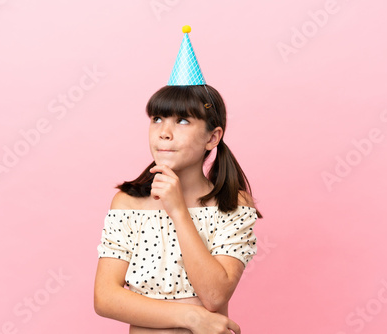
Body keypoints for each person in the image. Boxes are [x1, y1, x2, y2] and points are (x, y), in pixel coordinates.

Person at [94, 26, 262, 334]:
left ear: (213, 137)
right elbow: (105, 297)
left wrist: (178, 210)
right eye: (157, 119)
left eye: (182, 120)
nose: (164, 132)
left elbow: (214, 295)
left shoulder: (231, 205)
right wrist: (192, 317)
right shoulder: (128, 203)